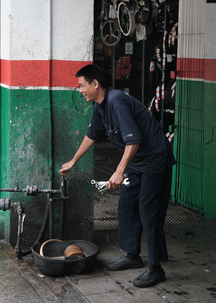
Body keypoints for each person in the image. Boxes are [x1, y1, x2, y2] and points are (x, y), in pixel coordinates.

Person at [59, 64, 175, 288]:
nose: (80, 90)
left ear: (95, 84)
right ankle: (132, 256)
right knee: (127, 205)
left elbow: (133, 140)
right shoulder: (100, 107)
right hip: (137, 162)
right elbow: (91, 135)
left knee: (148, 211)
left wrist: (120, 170)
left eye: (82, 85)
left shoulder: (116, 100)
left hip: (154, 160)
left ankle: (156, 268)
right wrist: (73, 161)